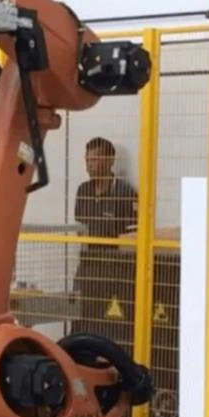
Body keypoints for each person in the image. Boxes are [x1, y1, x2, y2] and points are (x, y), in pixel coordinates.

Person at [72, 137, 138, 333]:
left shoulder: (125, 193)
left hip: (116, 269)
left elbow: (132, 236)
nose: (89, 165)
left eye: (95, 159)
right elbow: (80, 229)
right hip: (88, 266)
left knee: (112, 324)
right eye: (87, 160)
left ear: (110, 160)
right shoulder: (83, 190)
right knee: (81, 318)